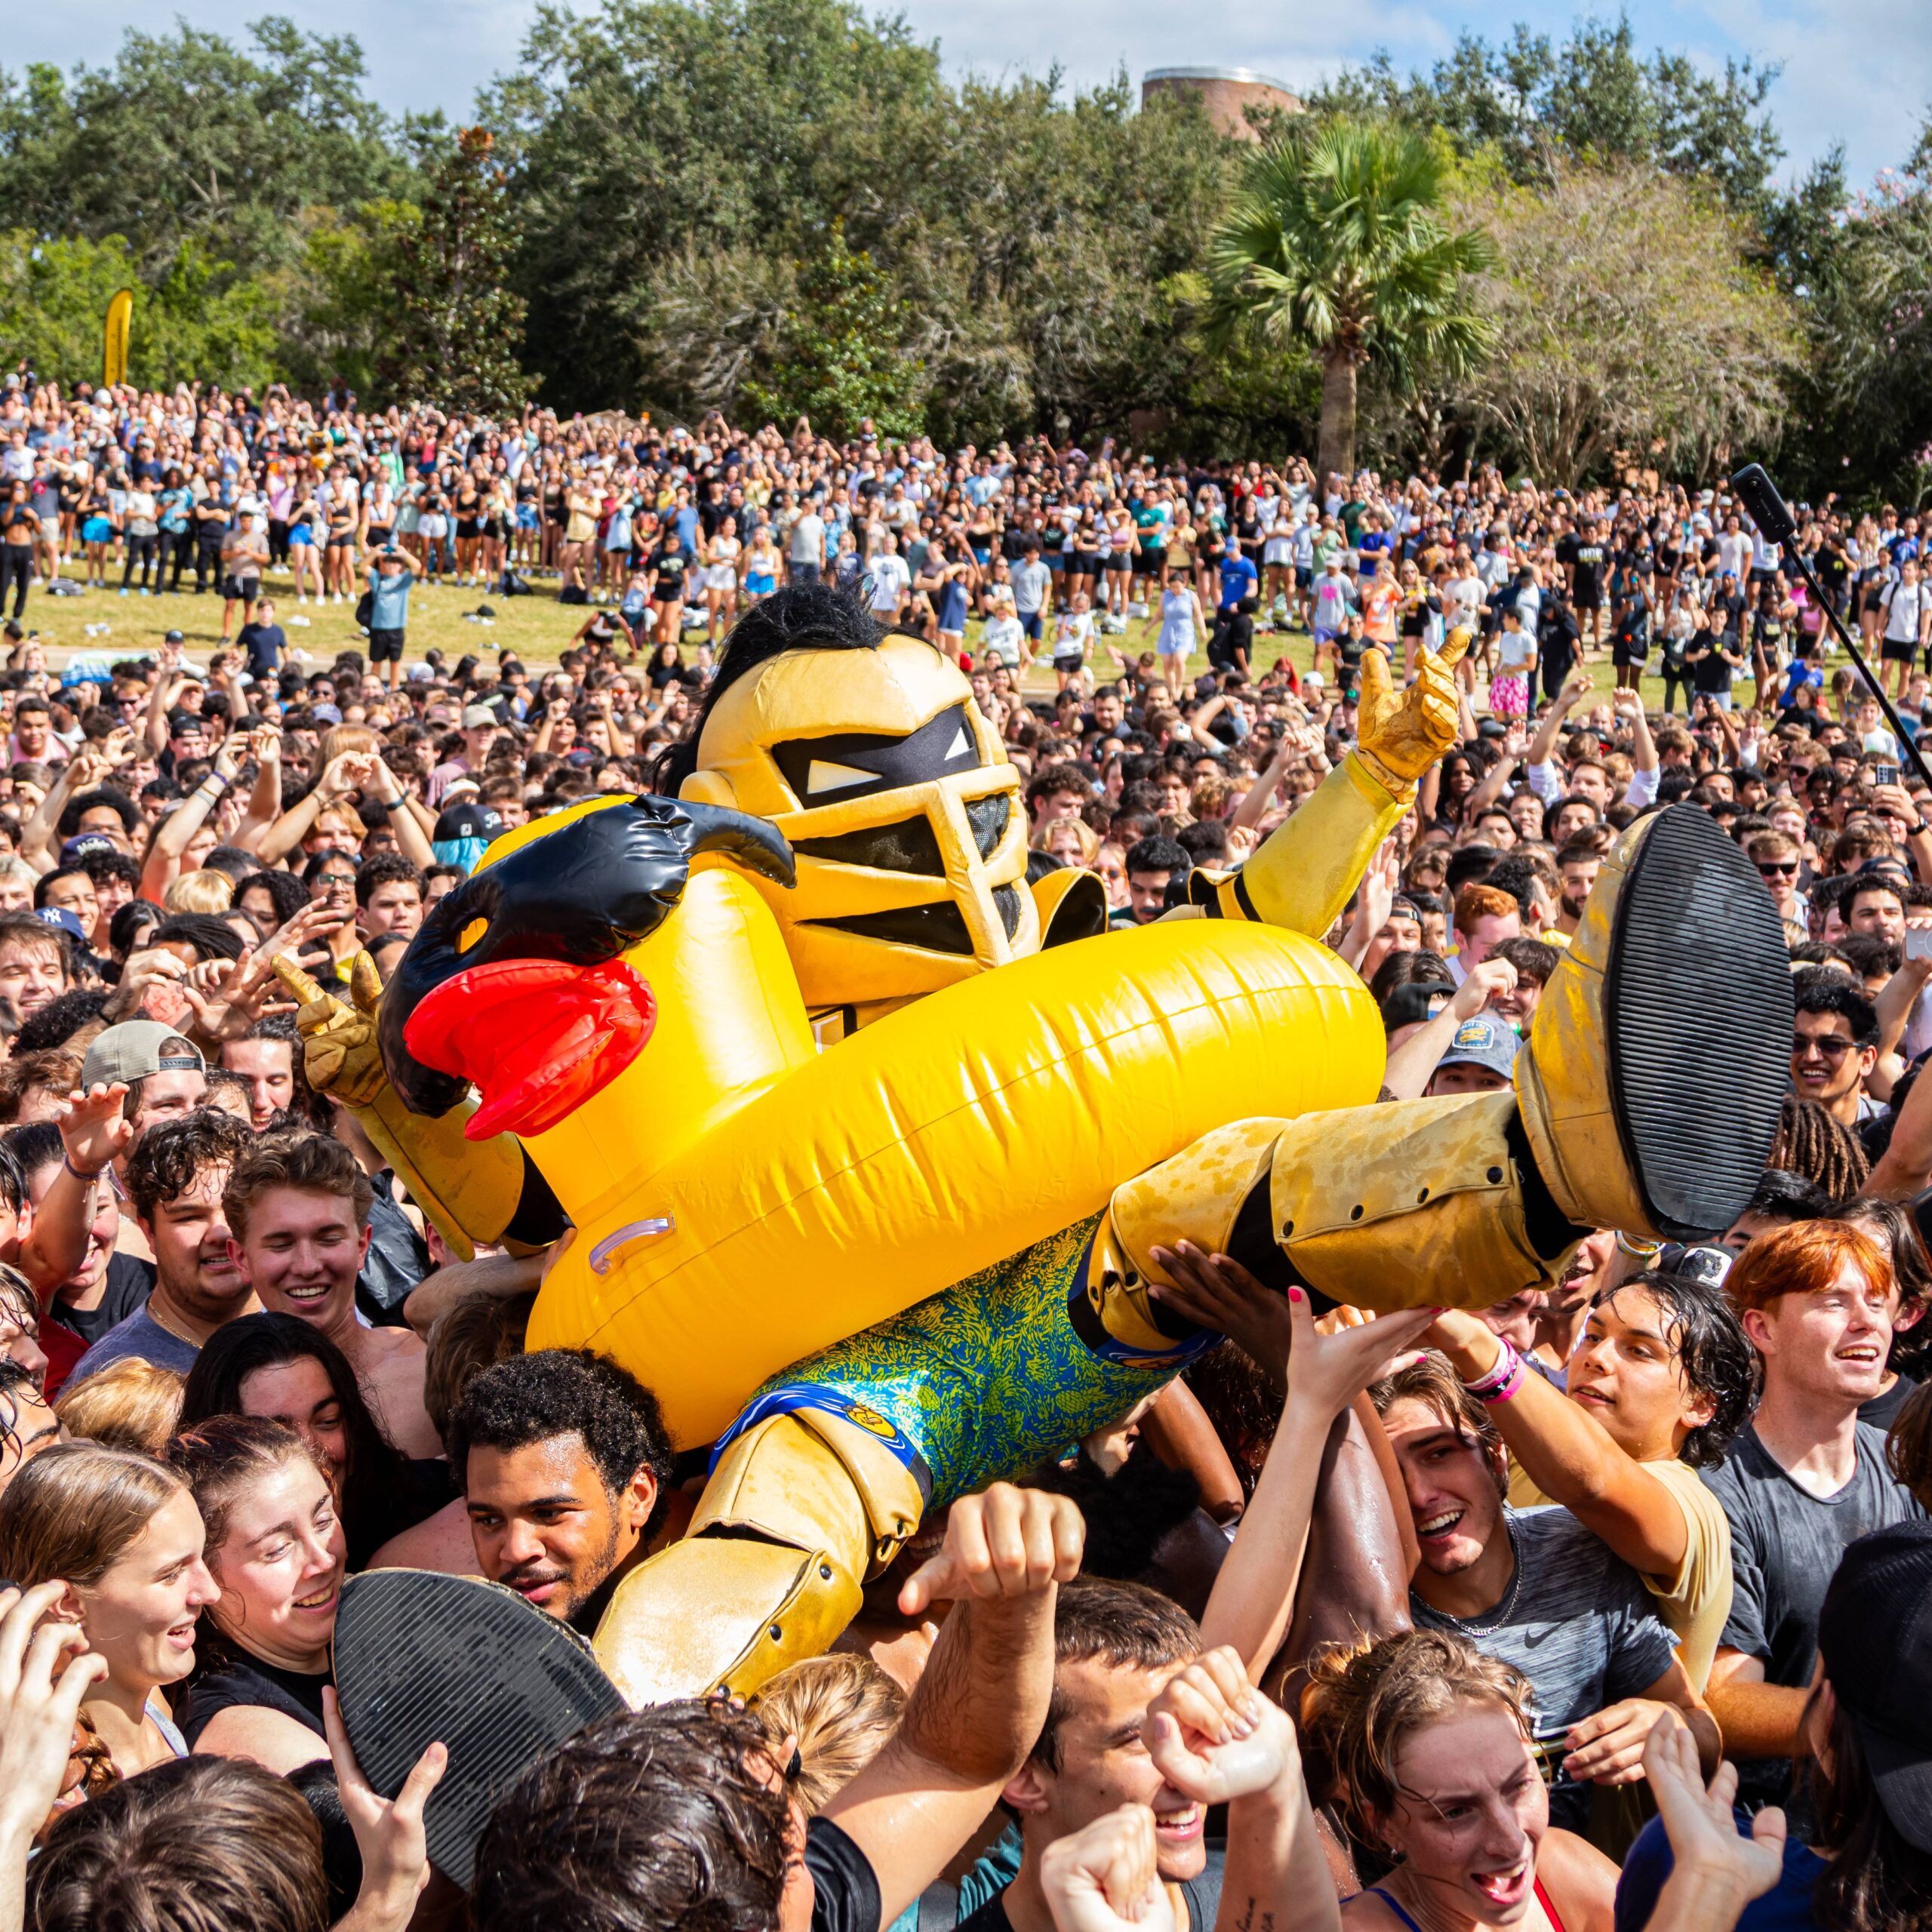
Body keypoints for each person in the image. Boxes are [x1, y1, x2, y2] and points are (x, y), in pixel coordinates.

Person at [470, 1482, 1084, 1932]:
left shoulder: (778, 1901)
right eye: (784, 1831)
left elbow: (956, 1760)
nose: (785, 1749)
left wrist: (1013, 1596)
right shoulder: (776, 1902)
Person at [1371, 1353, 1720, 1828]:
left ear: (1496, 1459)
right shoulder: (1365, 1608)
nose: (1419, 1494)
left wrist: (1666, 1728)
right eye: (1387, 1475)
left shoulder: (1582, 1553)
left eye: (1439, 1453)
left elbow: (1703, 1730)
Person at [1426, 1268, 1755, 1689]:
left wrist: (1472, 1340)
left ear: (1701, 1405)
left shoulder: (1692, 1505)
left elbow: (1593, 1482)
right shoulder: (1520, 1456)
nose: (1596, 1358)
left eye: (1639, 1351)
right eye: (1595, 1337)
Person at [1703, 1220, 1926, 1815]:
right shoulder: (1720, 1488)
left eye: (1878, 1304)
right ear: (1761, 1327)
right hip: (1774, 1842)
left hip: (1896, 1838)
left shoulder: (1904, 1464)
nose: (1866, 1322)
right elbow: (1725, 1700)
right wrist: (1883, 1725)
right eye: (1835, 1302)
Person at [1309, 1629, 1619, 1932]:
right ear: (1381, 1824)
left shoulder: (1564, 1870)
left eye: (1519, 1786)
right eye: (1456, 1812)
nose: (1511, 1842)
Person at [0, 1441, 217, 1777]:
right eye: (171, 1574)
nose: (210, 1592)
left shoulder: (152, 1697)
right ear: (68, 1603)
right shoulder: (57, 1788)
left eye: (200, 1557)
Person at [223, 1130, 436, 1458]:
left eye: (328, 1239)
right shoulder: (219, 1396)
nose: (308, 1266)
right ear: (241, 1258)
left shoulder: (428, 1372)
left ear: (362, 1246)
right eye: (281, 1244)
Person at [180, 1311, 451, 1567]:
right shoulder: (189, 1572)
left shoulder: (438, 1505)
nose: (309, 1453)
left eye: (328, 1421)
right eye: (277, 1437)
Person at [445, 1346, 672, 1628]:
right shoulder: (467, 1660)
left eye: (548, 1513)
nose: (516, 1551)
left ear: (638, 1497)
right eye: (489, 1520)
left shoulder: (724, 1647)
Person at [167, 1414, 343, 1770]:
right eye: (277, 1549)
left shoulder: (377, 1625)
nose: (322, 1559)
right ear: (205, 1575)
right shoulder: (240, 1728)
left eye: (323, 1520)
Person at [67, 1108, 256, 1384]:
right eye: (190, 1217)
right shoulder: (108, 1378)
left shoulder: (312, 1322)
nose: (220, 1233)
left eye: (235, 1212)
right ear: (148, 1231)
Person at [362, 541, 424, 694]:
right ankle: (374, 689)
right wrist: (374, 554)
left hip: (396, 628)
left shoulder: (404, 580)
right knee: (376, 661)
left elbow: (417, 567)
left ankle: (394, 689)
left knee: (395, 662)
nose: (391, 565)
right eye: (388, 562)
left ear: (401, 566)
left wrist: (404, 554)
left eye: (395, 563)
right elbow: (363, 567)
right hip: (378, 627)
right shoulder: (378, 578)